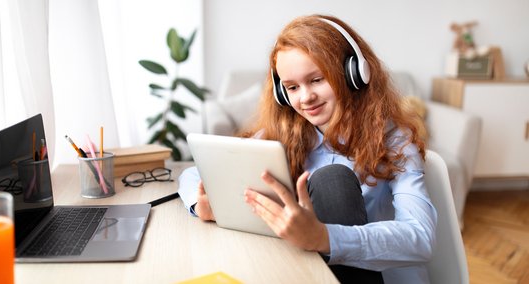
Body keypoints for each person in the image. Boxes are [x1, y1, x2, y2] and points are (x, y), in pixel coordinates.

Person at [178, 14, 436, 284]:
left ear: (354, 74)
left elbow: (420, 237)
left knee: (332, 180)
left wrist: (324, 237)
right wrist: (205, 205)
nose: (305, 98)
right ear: (281, 93)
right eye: (292, 87)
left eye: (317, 80)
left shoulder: (395, 140)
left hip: (379, 277)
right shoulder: (282, 136)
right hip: (308, 273)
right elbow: (196, 173)